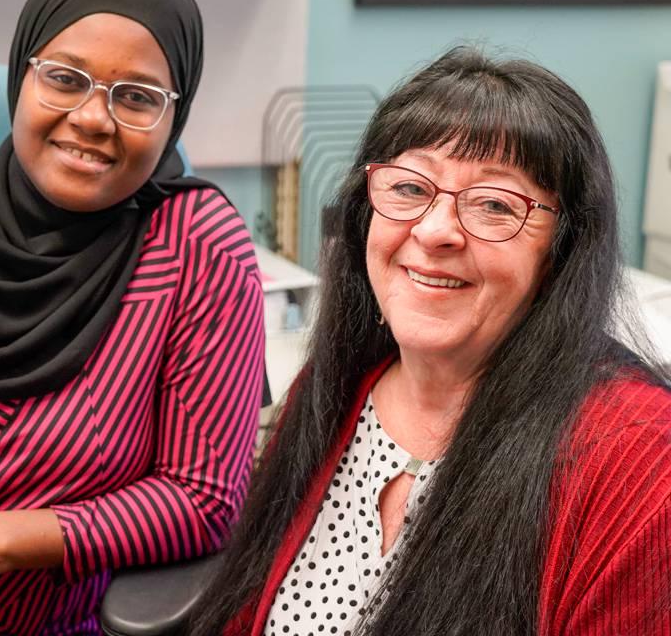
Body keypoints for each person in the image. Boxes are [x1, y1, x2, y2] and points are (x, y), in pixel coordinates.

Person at [192, 46, 671, 636]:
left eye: (495, 205)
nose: (435, 230)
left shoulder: (641, 461)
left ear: (561, 251)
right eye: (410, 189)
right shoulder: (339, 383)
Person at [0, 0, 265, 636]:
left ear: (177, 114)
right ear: (21, 78)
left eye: (137, 97)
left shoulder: (195, 249)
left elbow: (203, 499)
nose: (92, 118)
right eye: (64, 79)